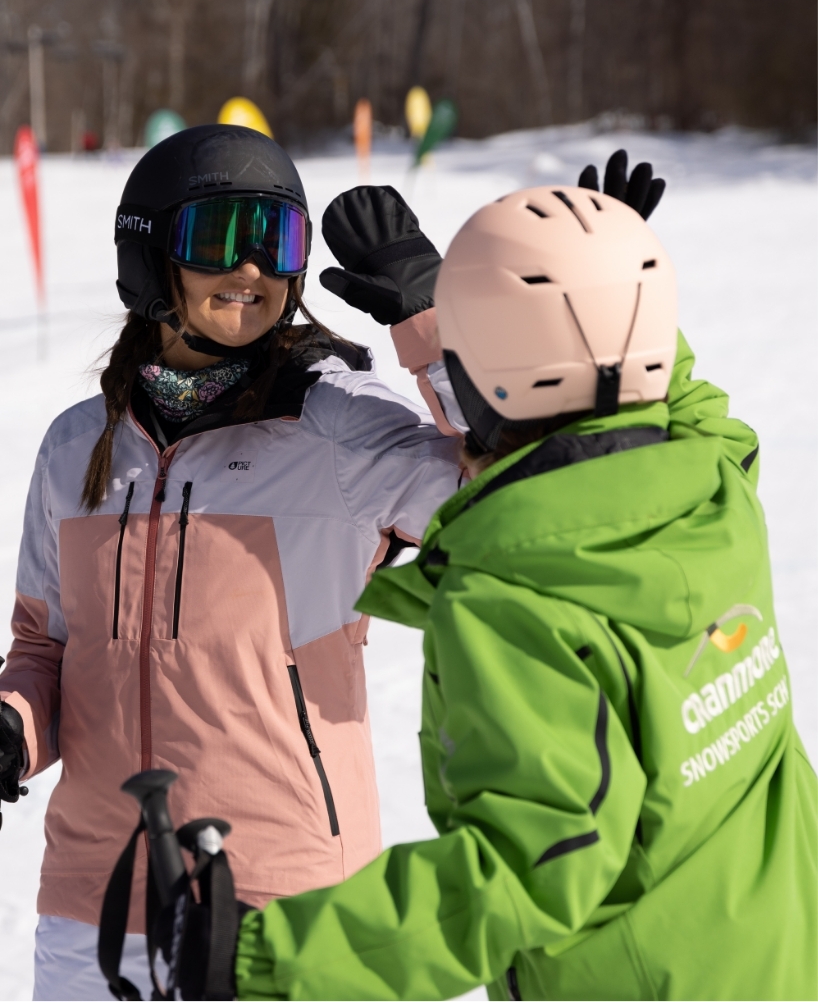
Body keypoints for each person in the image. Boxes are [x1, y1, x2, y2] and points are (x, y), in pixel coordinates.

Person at [212, 181, 814, 1000]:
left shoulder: (514, 597)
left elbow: (529, 866)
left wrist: (260, 960)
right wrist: (592, 292)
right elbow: (680, 399)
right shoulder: (717, 487)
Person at [0, 124, 467, 1001]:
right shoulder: (77, 447)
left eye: (276, 240)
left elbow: (507, 483)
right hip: (93, 911)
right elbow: (45, 651)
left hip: (283, 901)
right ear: (151, 255)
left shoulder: (337, 426)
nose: (251, 268)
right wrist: (10, 727)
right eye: (219, 237)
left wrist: (431, 319)